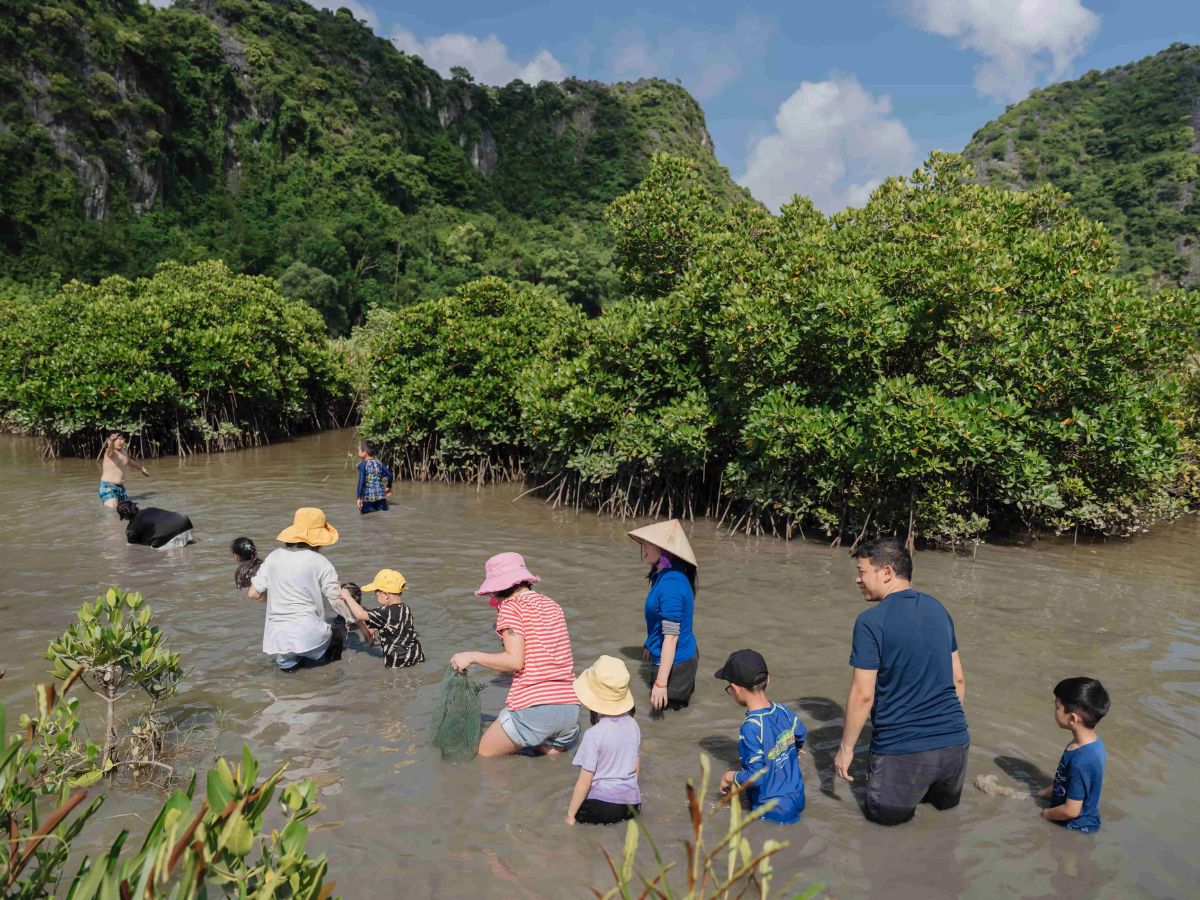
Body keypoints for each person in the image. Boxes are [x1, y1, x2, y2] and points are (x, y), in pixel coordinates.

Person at [834, 537, 969, 826]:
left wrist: (845, 749)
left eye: (862, 571)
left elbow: (863, 695)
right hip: (955, 746)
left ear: (886, 573)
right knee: (943, 830)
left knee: (884, 833)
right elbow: (958, 679)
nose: (857, 579)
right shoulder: (938, 610)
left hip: (902, 752)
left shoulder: (871, 622)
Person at [449, 552, 580, 757]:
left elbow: (514, 661)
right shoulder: (552, 605)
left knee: (485, 755)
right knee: (545, 758)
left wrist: (472, 656)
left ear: (497, 588)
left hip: (535, 707)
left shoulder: (510, 608)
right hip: (570, 708)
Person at [248, 508, 345, 672]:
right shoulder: (320, 561)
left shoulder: (273, 556)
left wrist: (269, 599)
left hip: (280, 641)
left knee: (288, 681)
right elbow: (337, 599)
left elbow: (253, 593)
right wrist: (360, 622)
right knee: (335, 637)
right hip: (311, 637)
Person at [715, 650, 806, 824]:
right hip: (797, 797)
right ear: (768, 679)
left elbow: (757, 777)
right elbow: (800, 732)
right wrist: (793, 749)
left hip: (771, 810)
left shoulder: (751, 727)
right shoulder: (783, 710)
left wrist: (730, 776)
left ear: (735, 689)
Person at [628, 519, 699, 712]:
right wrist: (650, 643)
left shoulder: (671, 586)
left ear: (666, 551)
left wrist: (661, 684)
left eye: (650, 544)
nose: (644, 548)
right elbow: (659, 620)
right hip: (670, 655)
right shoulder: (661, 574)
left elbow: (672, 635)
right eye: (644, 543)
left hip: (677, 665)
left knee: (666, 717)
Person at [566, 655, 642, 826]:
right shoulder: (633, 725)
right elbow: (636, 765)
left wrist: (570, 816)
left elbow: (585, 781)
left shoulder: (594, 734)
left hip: (602, 805)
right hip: (632, 803)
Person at [1038, 677, 1109, 833]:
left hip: (1074, 827)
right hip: (1067, 818)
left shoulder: (1082, 760)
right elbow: (1065, 777)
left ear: (1072, 719)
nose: (1054, 710)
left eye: (1057, 706)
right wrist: (1046, 792)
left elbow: (1071, 811)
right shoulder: (1086, 744)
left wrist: (1045, 814)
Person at [340, 569, 424, 668]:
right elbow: (398, 626)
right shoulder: (405, 609)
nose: (376, 597)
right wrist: (374, 628)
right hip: (416, 655)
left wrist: (347, 596)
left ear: (386, 595)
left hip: (397, 662)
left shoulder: (385, 612)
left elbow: (360, 614)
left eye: (376, 594)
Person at [116, 500, 193, 549]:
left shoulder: (131, 529)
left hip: (169, 534)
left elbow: (132, 547)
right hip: (184, 522)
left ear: (125, 517)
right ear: (136, 507)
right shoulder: (151, 509)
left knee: (151, 551)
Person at [99, 433, 148, 507]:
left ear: (124, 440)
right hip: (108, 487)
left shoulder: (123, 451)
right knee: (112, 512)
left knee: (124, 511)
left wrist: (141, 468)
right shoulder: (110, 452)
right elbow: (109, 450)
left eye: (121, 439)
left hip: (120, 488)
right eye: (116, 440)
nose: (119, 442)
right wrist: (111, 442)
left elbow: (129, 461)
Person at [356, 439, 393, 514]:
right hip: (381, 497)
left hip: (367, 498)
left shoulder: (363, 465)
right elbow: (390, 475)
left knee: (364, 518)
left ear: (364, 453)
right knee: (383, 516)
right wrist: (388, 486)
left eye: (359, 451)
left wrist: (359, 497)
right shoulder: (379, 463)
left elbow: (361, 481)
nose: (358, 453)